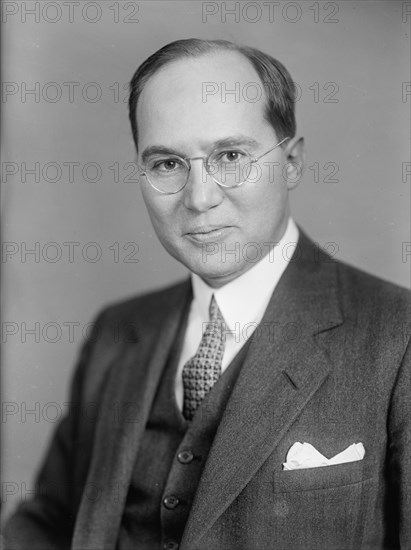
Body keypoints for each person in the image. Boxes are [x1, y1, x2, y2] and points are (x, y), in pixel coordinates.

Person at [4, 38, 410, 550]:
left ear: (292, 162)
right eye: (168, 164)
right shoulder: (119, 330)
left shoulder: (398, 337)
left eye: (231, 155)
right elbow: (47, 522)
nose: (199, 199)